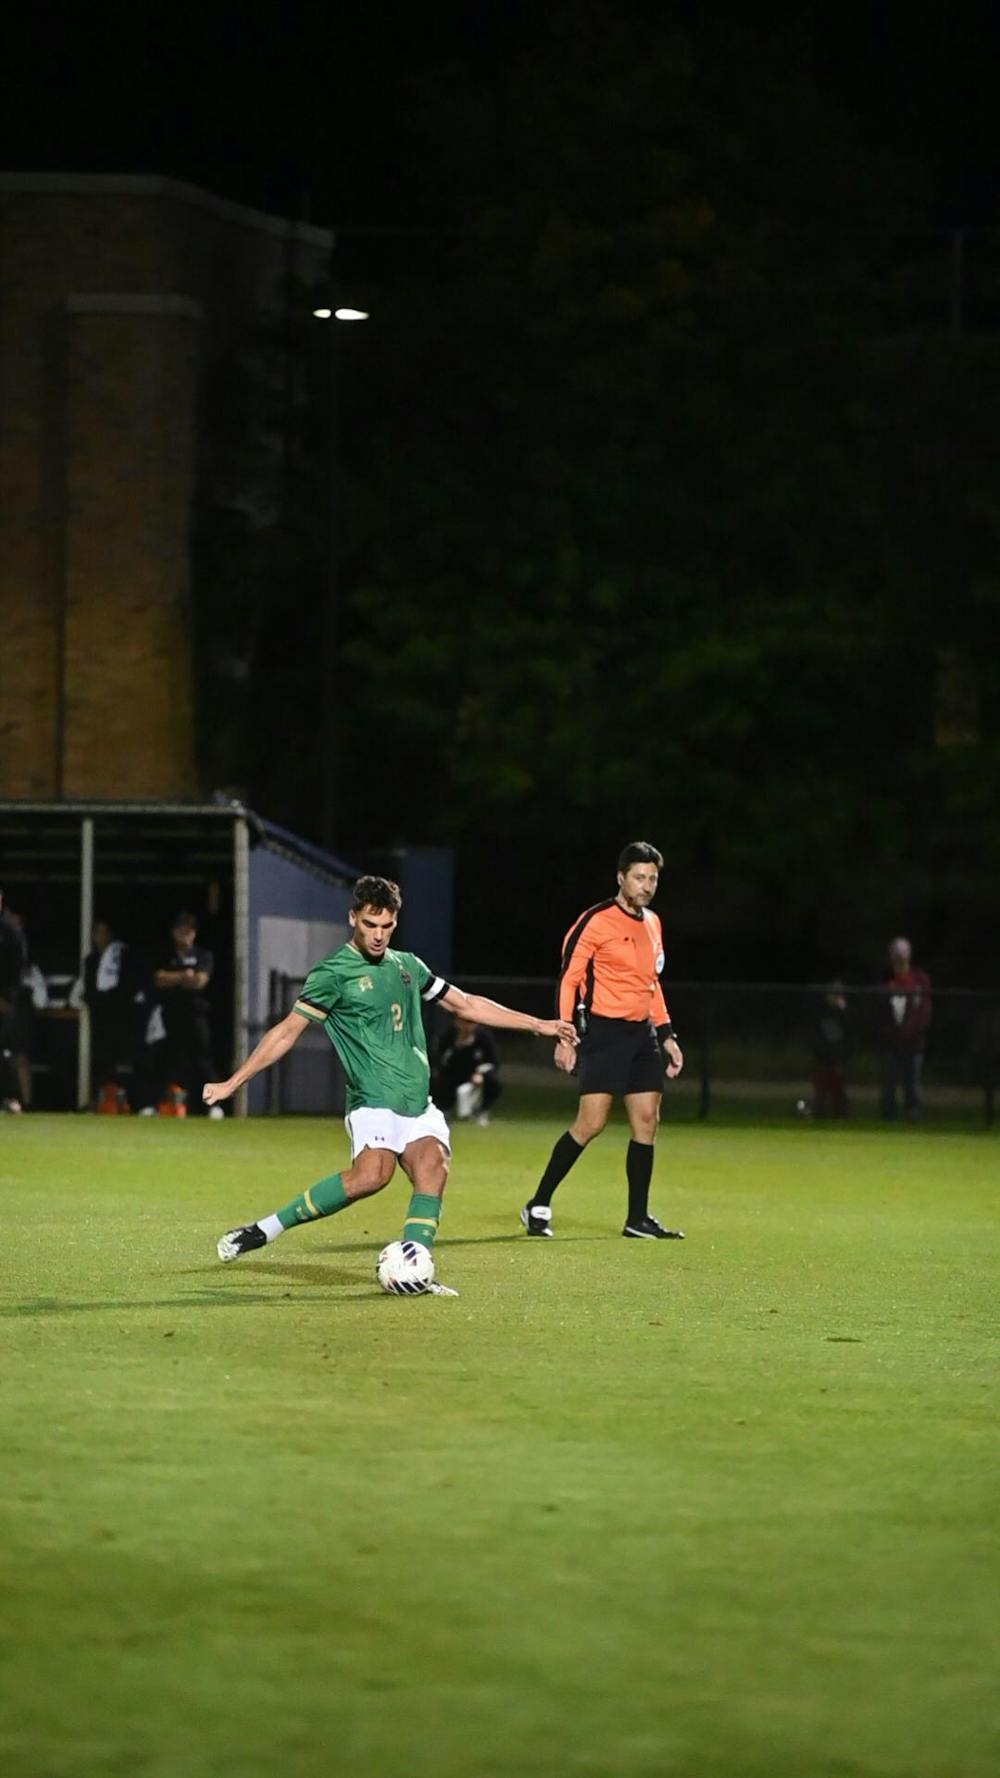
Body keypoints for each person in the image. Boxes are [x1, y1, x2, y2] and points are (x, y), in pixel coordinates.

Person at [207, 875, 575, 1290]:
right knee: (371, 1177)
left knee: (433, 1167)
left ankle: (416, 1266)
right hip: (372, 1099)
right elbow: (287, 1031)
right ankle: (265, 1229)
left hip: (417, 1101)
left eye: (386, 926)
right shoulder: (333, 974)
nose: (378, 935)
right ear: (353, 918)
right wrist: (235, 1081)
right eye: (369, 925)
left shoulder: (408, 966)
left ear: (395, 922)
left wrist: (538, 1024)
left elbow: (466, 1004)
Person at [521, 840, 685, 1241]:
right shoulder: (595, 920)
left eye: (653, 879)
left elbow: (652, 984)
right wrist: (564, 1034)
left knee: (647, 1121)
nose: (646, 886)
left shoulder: (653, 923)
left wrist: (667, 1035)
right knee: (591, 1123)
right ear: (621, 878)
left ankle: (637, 1218)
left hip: (641, 1036)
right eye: (639, 877)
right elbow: (570, 978)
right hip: (604, 1033)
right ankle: (537, 1204)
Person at [154, 912, 222, 1118]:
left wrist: (174, 978)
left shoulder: (203, 955)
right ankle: (162, 1103)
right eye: (180, 929)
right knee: (168, 1058)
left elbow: (200, 981)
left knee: (203, 1059)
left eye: (189, 930)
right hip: (170, 1015)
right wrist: (184, 976)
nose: (184, 933)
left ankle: (213, 1105)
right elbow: (159, 978)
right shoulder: (165, 954)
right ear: (173, 932)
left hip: (196, 1015)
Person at [879, 936, 931, 1121]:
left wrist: (910, 1033)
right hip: (891, 1044)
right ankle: (887, 1119)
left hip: (914, 1043)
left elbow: (924, 1012)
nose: (900, 959)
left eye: (903, 954)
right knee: (889, 1085)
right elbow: (879, 1012)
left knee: (913, 1085)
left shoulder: (920, 980)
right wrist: (892, 1034)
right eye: (896, 955)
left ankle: (914, 1118)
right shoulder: (885, 981)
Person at [432, 1013, 502, 1125]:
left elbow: (493, 1061)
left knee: (493, 1082)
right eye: (464, 1022)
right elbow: (440, 1060)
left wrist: (480, 1073)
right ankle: (443, 1110)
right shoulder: (448, 1036)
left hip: (474, 1074)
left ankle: (481, 1110)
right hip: (452, 1073)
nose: (467, 1026)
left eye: (471, 1023)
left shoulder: (483, 1037)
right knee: (436, 1082)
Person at [0, 886, 29, 1112]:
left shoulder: (9, 932)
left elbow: (16, 968)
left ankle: (12, 1098)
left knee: (8, 1051)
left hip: (3, 1001)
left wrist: (7, 997)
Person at [809, 981, 851, 1118]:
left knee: (839, 1094)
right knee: (820, 1093)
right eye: (833, 994)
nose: (835, 997)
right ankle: (818, 1116)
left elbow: (850, 1034)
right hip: (823, 1059)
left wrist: (842, 1010)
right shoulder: (820, 1012)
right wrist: (821, 1056)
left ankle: (841, 1118)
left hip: (839, 1059)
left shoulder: (844, 1013)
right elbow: (815, 1036)